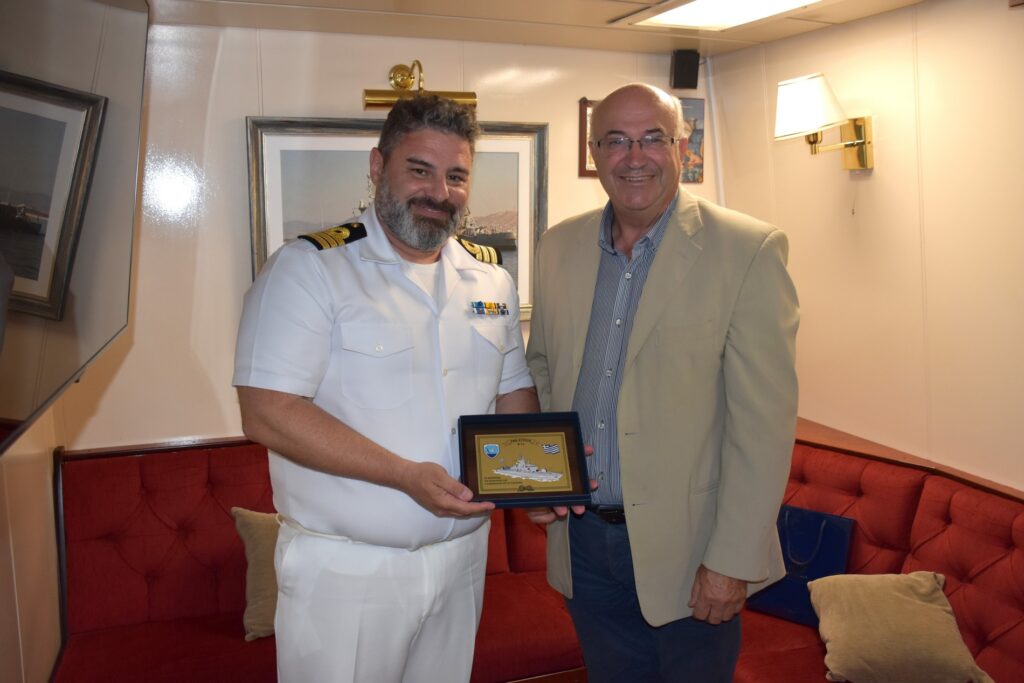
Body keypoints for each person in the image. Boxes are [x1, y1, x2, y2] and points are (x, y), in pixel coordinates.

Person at [233, 94, 538, 683]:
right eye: (419, 170)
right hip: (347, 573)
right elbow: (266, 412)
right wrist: (403, 475)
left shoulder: (490, 278)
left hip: (461, 562)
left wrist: (536, 480)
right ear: (378, 167)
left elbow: (512, 390)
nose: (439, 192)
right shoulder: (309, 269)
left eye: (456, 176)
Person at [525, 83, 799, 682]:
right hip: (583, 545)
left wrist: (732, 561)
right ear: (594, 153)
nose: (634, 157)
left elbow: (764, 428)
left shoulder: (747, 250)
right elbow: (541, 369)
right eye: (616, 141)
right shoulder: (557, 246)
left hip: (693, 552)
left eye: (653, 138)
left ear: (682, 146)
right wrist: (541, 479)